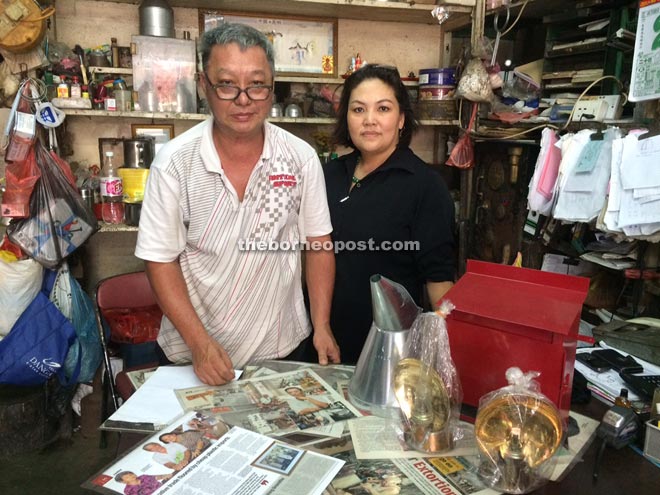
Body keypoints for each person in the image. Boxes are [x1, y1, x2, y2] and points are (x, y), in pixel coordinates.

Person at [135, 23, 340, 385]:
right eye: (227, 84)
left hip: (280, 347)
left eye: (257, 84)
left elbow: (318, 246)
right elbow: (160, 259)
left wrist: (321, 325)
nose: (244, 100)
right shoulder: (174, 164)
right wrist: (199, 344)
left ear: (273, 85)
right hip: (191, 352)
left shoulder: (300, 158)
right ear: (203, 84)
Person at [323, 64, 455, 364]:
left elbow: (439, 282)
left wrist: (444, 359)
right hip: (321, 339)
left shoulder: (424, 186)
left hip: (389, 351)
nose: (369, 120)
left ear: (401, 119)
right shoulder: (329, 174)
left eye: (383, 108)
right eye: (358, 110)